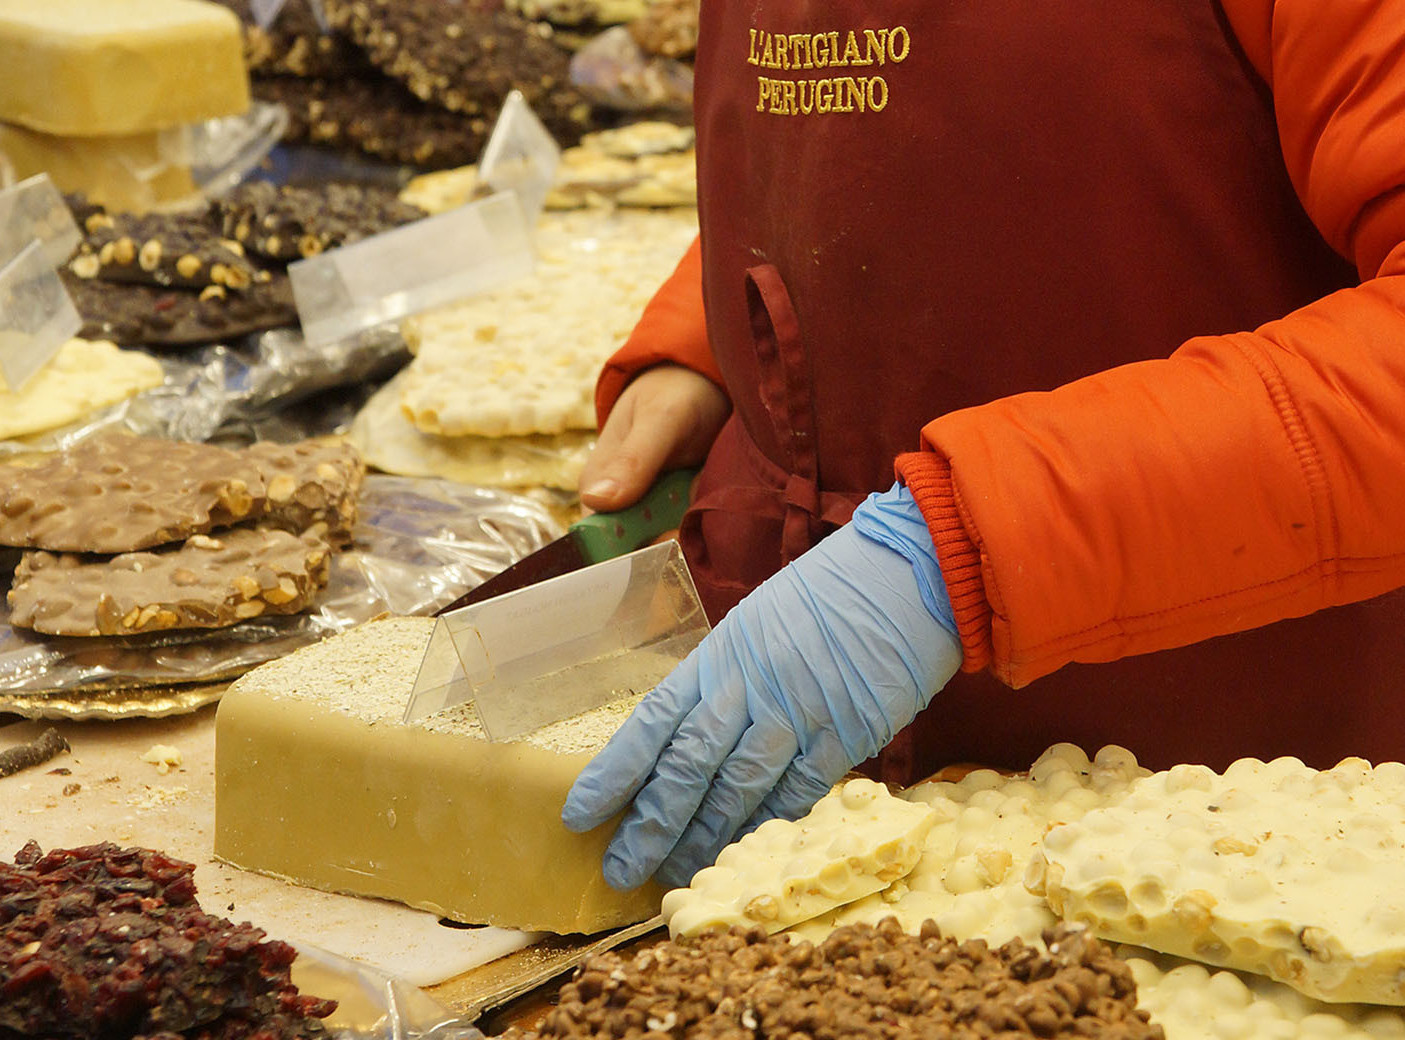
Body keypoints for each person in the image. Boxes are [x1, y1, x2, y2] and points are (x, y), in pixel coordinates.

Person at [560, 0, 1405, 892]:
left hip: (1220, 816)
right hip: (798, 765)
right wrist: (715, 328)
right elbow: (910, 134)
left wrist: (955, 547)